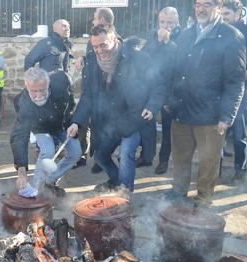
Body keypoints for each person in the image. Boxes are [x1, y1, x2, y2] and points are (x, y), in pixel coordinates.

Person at [67, 24, 165, 193]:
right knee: (99, 156)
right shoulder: (92, 61)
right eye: (95, 46)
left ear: (114, 39)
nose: (99, 50)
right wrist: (76, 121)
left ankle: (124, 194)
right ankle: (116, 180)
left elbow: (159, 85)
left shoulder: (138, 58)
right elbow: (88, 96)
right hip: (108, 122)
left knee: (125, 155)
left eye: (103, 45)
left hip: (134, 118)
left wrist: (152, 105)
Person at [167, 0, 246, 207]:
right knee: (181, 158)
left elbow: (235, 82)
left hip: (211, 117)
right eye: (198, 4)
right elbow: (174, 71)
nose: (201, 9)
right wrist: (170, 101)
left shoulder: (231, 37)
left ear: (218, 7)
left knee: (208, 163)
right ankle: (178, 191)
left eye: (208, 4)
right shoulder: (185, 34)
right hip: (182, 111)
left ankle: (203, 199)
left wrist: (227, 116)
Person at [11, 67, 81, 197]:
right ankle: (37, 190)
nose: (38, 96)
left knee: (76, 152)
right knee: (48, 152)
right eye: (34, 91)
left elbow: (71, 102)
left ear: (48, 84)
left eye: (42, 90)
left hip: (62, 123)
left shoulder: (62, 81)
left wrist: (74, 122)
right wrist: (21, 171)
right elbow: (19, 136)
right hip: (41, 127)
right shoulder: (23, 103)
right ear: (26, 87)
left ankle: (50, 180)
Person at [221, 0, 247, 183]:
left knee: (239, 132)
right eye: (221, 14)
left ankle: (240, 169)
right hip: (219, 89)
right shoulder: (216, 30)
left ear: (238, 14)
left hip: (241, 89)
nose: (224, 18)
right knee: (217, 133)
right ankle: (215, 170)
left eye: (227, 15)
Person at [75, 7, 115, 173]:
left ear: (103, 21)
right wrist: (83, 59)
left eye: (95, 18)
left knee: (107, 131)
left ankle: (102, 160)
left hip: (108, 97)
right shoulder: (94, 38)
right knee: (94, 127)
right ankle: (95, 157)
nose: (92, 21)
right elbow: (94, 58)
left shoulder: (114, 40)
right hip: (93, 92)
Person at [142, 7, 181, 174]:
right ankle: (146, 155)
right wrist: (158, 42)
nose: (165, 25)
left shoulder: (182, 36)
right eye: (162, 22)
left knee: (167, 129)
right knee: (146, 123)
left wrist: (167, 42)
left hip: (170, 90)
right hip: (152, 88)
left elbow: (178, 63)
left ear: (176, 22)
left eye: (169, 22)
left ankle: (163, 160)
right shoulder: (152, 35)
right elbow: (145, 57)